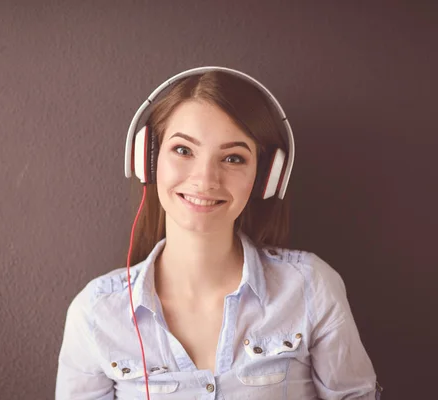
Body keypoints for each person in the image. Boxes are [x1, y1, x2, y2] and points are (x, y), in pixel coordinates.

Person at [55, 67, 381, 399]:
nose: (205, 179)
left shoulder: (311, 288)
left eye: (233, 158)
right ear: (147, 159)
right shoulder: (96, 313)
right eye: (183, 150)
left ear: (267, 177)